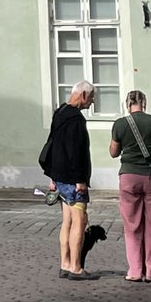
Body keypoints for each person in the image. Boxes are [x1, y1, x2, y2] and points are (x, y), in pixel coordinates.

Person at [41, 81, 97, 280]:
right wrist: (80, 180)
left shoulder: (60, 113)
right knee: (79, 222)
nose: (91, 103)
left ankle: (64, 263)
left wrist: (52, 176)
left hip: (59, 176)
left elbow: (53, 145)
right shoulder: (76, 120)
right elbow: (75, 153)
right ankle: (76, 267)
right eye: (91, 98)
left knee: (67, 222)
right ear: (82, 95)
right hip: (73, 179)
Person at [109, 89, 151, 282]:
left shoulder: (121, 124)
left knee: (132, 225)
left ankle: (135, 271)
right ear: (144, 103)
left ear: (127, 104)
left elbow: (113, 152)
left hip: (129, 176)